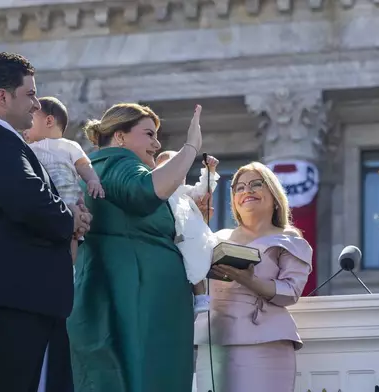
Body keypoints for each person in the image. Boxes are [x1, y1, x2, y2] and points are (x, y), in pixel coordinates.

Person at [0, 52, 92, 392]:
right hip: (6, 305)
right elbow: (30, 202)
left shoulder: (1, 141)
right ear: (2, 96)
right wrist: (70, 218)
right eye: (30, 94)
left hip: (21, 302)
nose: (36, 104)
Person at [67, 103, 207, 392]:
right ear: (119, 137)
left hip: (127, 292)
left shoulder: (101, 168)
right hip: (139, 298)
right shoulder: (120, 163)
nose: (156, 144)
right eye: (149, 134)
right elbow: (144, 191)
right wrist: (191, 147)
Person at [194, 162, 313, 392]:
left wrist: (249, 280)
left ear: (274, 194)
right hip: (216, 340)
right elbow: (191, 275)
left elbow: (291, 291)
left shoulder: (290, 240)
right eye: (239, 187)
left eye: (256, 184)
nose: (247, 191)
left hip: (267, 342)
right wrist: (196, 224)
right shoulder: (215, 238)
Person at [24, 96, 105, 263]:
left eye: (30, 118)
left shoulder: (69, 146)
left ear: (49, 121)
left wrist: (93, 181)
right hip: (44, 201)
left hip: (69, 200)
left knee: (72, 236)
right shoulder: (27, 148)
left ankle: (70, 269)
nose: (24, 127)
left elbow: (84, 165)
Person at [155, 150, 219, 314]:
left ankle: (200, 296)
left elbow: (203, 190)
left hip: (190, 234)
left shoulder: (185, 193)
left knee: (196, 260)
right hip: (170, 236)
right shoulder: (157, 192)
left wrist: (209, 171)